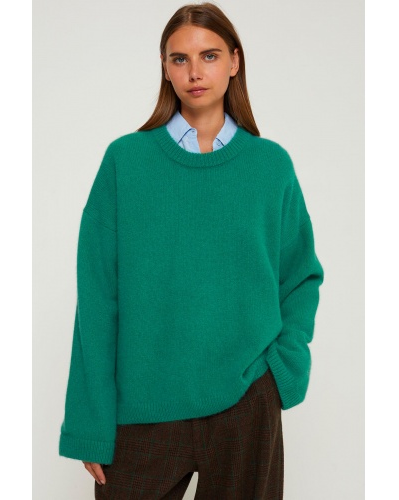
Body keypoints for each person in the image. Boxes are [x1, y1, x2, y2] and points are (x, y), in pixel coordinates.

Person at [58, 2, 324, 499]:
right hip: (143, 408)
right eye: (179, 58)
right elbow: (97, 298)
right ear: (164, 67)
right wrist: (89, 421)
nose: (194, 72)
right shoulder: (125, 162)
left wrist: (282, 372)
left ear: (235, 61)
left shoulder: (270, 167)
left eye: (210, 55)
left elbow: (300, 276)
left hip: (246, 399)